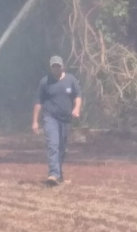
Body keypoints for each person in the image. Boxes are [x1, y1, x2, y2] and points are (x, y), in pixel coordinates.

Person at [32, 55, 82, 186]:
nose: (56, 68)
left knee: (62, 148)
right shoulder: (45, 82)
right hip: (50, 118)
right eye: (53, 66)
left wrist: (76, 108)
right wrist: (35, 121)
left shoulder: (70, 80)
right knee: (53, 144)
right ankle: (53, 174)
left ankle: (59, 175)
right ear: (51, 68)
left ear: (62, 66)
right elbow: (38, 101)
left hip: (65, 120)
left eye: (58, 66)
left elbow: (77, 96)